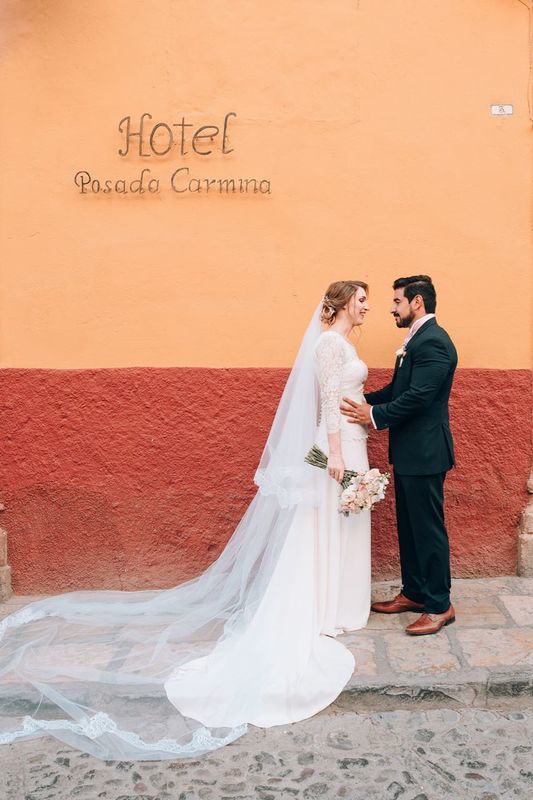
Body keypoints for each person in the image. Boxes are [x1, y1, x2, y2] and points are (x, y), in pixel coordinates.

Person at [0, 280, 372, 760]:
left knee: (342, 522)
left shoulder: (345, 344)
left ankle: (338, 605)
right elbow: (327, 405)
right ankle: (322, 608)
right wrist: (335, 454)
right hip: (337, 449)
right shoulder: (328, 345)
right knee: (323, 526)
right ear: (341, 304)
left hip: (354, 444)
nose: (367, 306)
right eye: (361, 299)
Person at [341, 275, 457, 636]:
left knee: (428, 529)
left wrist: (373, 416)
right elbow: (398, 389)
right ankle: (415, 592)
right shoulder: (417, 339)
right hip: (410, 452)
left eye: (397, 301)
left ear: (416, 302)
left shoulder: (434, 341)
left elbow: (420, 396)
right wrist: (361, 402)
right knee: (409, 526)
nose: (392, 308)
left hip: (426, 453)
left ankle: (439, 605)